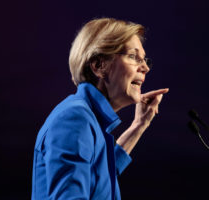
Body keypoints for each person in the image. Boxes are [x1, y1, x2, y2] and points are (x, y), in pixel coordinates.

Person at [31, 18, 169, 200]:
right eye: (133, 57)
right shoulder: (75, 118)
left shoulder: (88, 117)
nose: (144, 68)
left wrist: (139, 125)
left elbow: (100, 176)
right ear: (99, 66)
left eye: (145, 60)